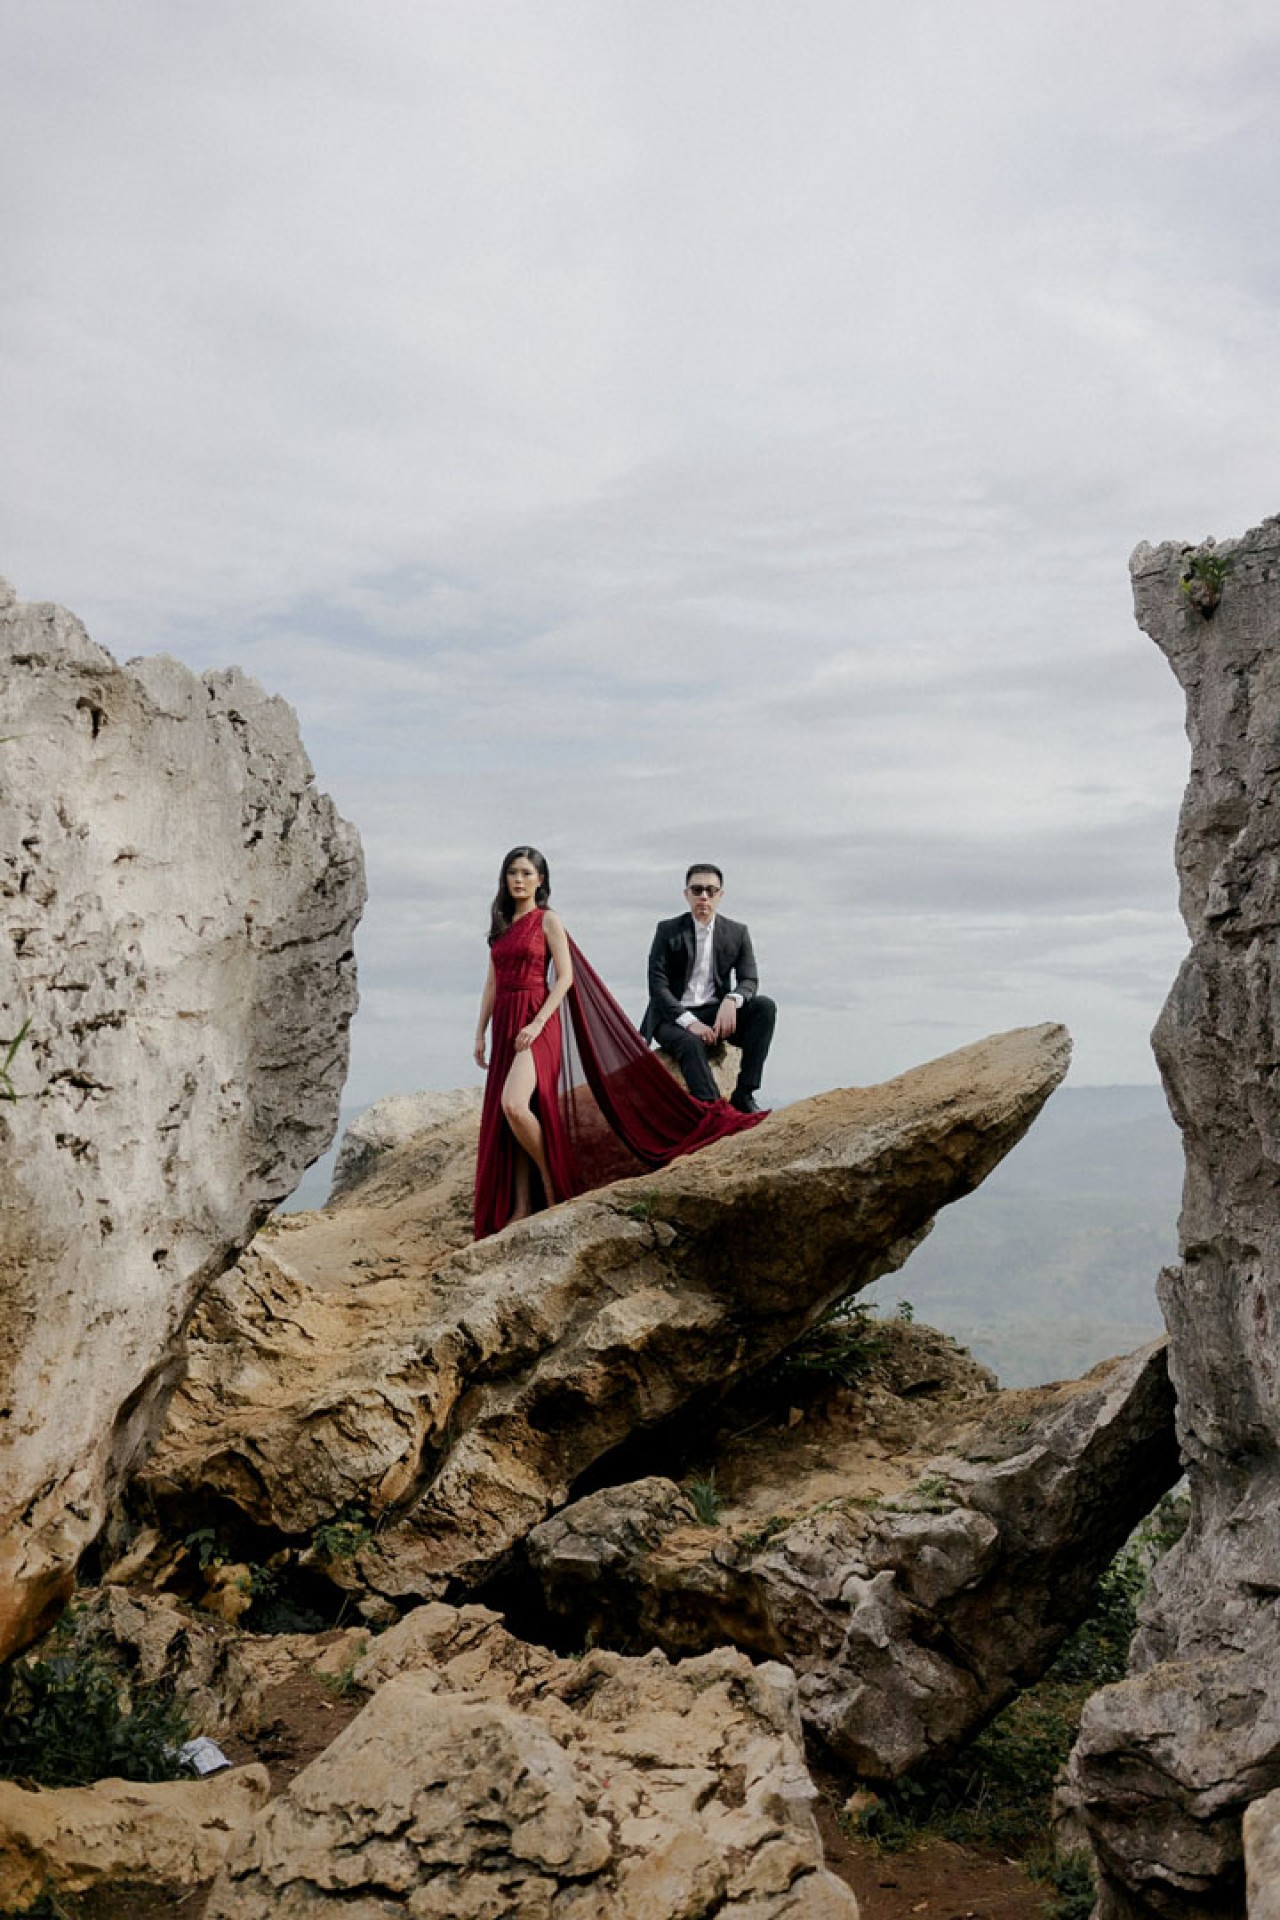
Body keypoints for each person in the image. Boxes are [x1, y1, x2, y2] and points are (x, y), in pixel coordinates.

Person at [473, 846, 765, 1239]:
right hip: (505, 1023)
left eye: (527, 873)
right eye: (513, 872)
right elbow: (491, 984)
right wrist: (480, 1032)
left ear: (540, 880)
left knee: (513, 1104)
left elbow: (565, 978)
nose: (519, 880)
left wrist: (539, 1022)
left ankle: (552, 1178)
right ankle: (522, 1206)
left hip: (538, 1022)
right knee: (512, 1117)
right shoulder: (501, 926)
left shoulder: (548, 920)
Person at [640, 863, 776, 1113]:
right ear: (686, 894)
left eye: (711, 890)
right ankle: (714, 1109)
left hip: (716, 1013)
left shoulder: (737, 932)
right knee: (691, 1043)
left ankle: (744, 1094)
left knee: (764, 1007)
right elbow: (657, 986)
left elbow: (749, 980)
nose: (704, 896)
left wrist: (732, 999)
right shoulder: (667, 930)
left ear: (720, 895)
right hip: (672, 1018)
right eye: (697, 890)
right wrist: (689, 1022)